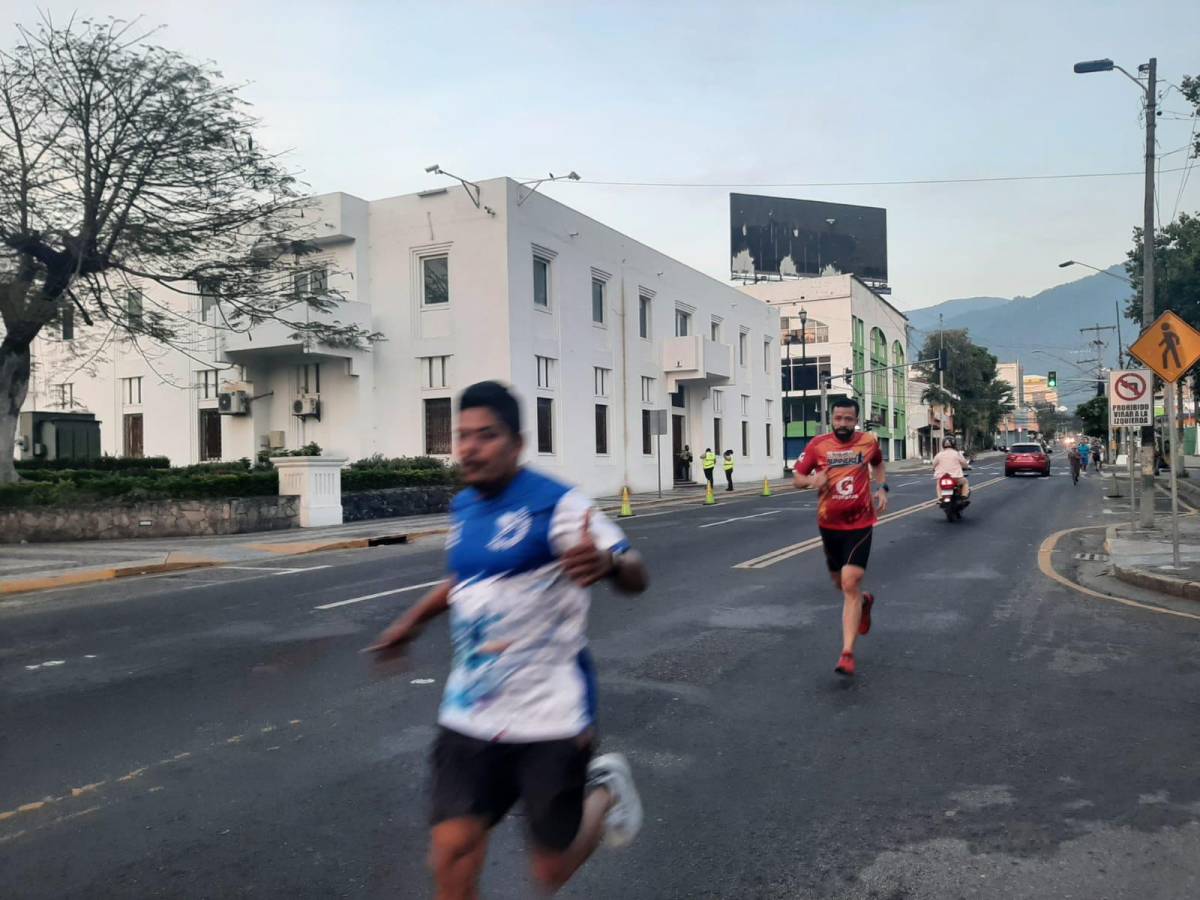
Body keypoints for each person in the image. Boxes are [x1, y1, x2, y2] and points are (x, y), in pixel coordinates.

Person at [367, 381, 649, 899]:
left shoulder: (560, 506)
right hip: (471, 711)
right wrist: (411, 622)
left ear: (517, 443)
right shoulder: (464, 509)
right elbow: (468, 582)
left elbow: (636, 572)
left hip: (552, 715)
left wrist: (608, 564)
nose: (470, 447)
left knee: (550, 870)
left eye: (486, 435)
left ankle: (604, 792)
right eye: (463, 436)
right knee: (450, 850)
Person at [792, 397, 888, 677]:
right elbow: (797, 477)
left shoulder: (869, 442)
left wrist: (882, 488)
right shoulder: (817, 445)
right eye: (838, 419)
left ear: (856, 419)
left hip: (860, 523)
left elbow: (878, 465)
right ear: (831, 418)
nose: (842, 424)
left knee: (850, 582)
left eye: (848, 419)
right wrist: (812, 481)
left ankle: (847, 653)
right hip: (829, 526)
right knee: (840, 583)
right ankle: (865, 601)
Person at [931, 436, 971, 500]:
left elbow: (934, 464)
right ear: (954, 444)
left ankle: (940, 498)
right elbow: (964, 463)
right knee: (965, 482)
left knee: (938, 485)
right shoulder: (957, 454)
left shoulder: (939, 454)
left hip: (942, 477)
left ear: (943, 444)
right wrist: (967, 467)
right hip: (955, 477)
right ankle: (964, 495)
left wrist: (933, 468)